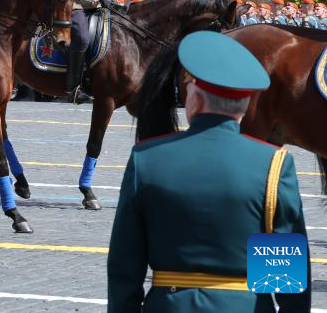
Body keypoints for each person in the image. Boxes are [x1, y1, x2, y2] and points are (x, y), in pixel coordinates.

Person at [108, 30, 309, 311]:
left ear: (196, 99)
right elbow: (286, 275)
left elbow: (124, 268)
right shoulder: (273, 164)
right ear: (244, 105)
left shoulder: (147, 159)